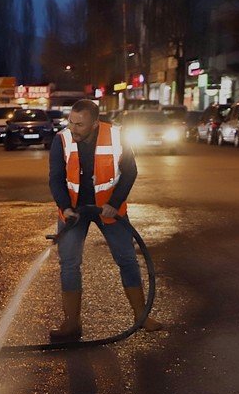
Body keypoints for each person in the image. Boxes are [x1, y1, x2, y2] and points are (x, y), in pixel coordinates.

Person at [47, 98, 162, 341]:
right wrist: (65, 207)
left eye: (80, 124)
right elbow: (56, 177)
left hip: (109, 209)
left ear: (95, 123)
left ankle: (141, 316)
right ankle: (71, 324)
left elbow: (130, 171)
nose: (73, 128)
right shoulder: (62, 140)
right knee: (69, 264)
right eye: (71, 122)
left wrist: (114, 203)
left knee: (127, 259)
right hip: (74, 211)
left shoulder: (117, 137)